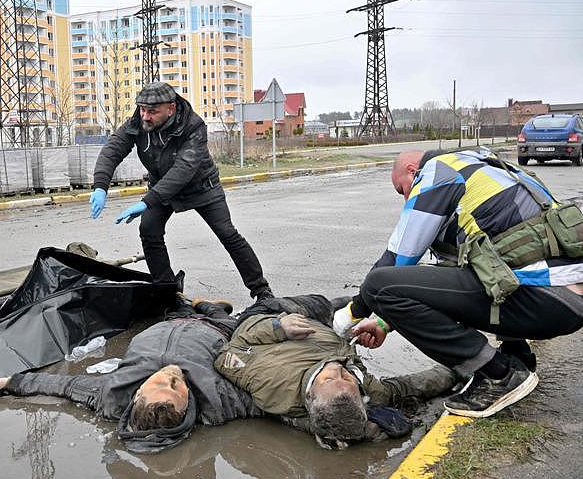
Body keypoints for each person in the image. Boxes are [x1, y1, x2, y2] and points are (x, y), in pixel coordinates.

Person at [337, 148, 583, 418]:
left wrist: (352, 313)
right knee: (487, 263)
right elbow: (450, 281)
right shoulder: (484, 165)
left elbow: (397, 260)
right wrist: (385, 322)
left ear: (411, 170)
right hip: (565, 299)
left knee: (378, 284)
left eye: (401, 189)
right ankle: (518, 355)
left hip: (547, 301)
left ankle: (499, 374)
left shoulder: (439, 173)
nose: (406, 198)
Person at [0, 298, 263, 453]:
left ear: (137, 393)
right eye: (176, 385)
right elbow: (270, 399)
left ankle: (192, 304)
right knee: (230, 317)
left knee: (175, 306)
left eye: (163, 382)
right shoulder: (220, 402)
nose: (170, 373)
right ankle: (206, 306)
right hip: (214, 330)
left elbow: (63, 385)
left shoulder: (111, 394)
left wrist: (12, 382)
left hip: (168, 323)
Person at [88, 81, 273, 303]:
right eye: (142, 109)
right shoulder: (138, 122)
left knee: (227, 234)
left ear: (171, 108)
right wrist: (100, 185)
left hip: (202, 187)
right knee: (149, 230)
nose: (145, 116)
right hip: (162, 186)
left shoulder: (193, 126)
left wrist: (147, 201)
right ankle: (168, 292)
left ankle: (262, 291)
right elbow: (112, 150)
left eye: (153, 111)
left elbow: (184, 169)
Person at [216, 294, 458, 449]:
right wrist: (458, 371)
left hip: (269, 315)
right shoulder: (369, 390)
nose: (337, 369)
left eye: (330, 379)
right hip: (323, 329)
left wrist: (278, 327)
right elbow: (408, 387)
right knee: (356, 304)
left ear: (309, 396)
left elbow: (227, 353)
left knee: (333, 305)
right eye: (347, 378)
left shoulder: (269, 383)